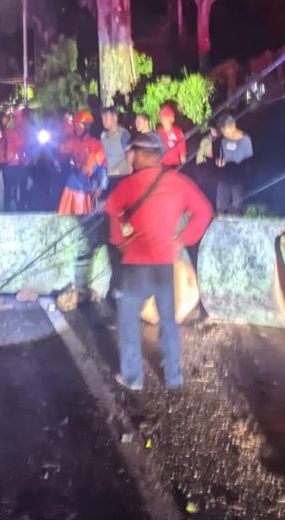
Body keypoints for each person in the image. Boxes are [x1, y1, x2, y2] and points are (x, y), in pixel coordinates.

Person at [104, 132, 213, 390]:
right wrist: (181, 240)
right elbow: (204, 212)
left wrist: (121, 242)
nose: (128, 156)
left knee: (129, 321)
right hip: (165, 264)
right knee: (168, 321)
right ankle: (173, 378)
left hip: (135, 266)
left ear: (141, 154)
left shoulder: (128, 186)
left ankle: (133, 378)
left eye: (130, 152)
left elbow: (112, 215)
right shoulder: (179, 182)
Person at [57, 110, 108, 215]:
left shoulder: (96, 145)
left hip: (87, 189)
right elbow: (60, 151)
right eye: (74, 125)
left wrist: (101, 186)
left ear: (85, 126)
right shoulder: (74, 142)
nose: (75, 127)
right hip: (72, 187)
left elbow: (102, 166)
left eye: (77, 124)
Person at [214, 114, 254, 213]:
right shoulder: (222, 140)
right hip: (223, 178)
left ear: (233, 125)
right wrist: (218, 162)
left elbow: (249, 161)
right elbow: (218, 156)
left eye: (226, 129)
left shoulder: (245, 139)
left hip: (238, 179)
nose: (224, 132)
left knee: (237, 208)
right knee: (220, 208)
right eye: (222, 130)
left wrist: (246, 176)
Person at [100, 106, 131, 196]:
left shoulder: (123, 135)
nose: (104, 121)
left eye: (107, 117)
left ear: (115, 118)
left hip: (120, 177)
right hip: (107, 177)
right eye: (103, 118)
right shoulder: (103, 135)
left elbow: (129, 153)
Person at [3, 112, 27, 212]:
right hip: (12, 161)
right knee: (10, 186)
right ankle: (9, 207)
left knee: (20, 185)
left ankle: (18, 206)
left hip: (18, 162)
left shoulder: (22, 131)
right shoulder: (11, 131)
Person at [157, 104, 187, 169]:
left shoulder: (178, 131)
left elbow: (182, 152)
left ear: (171, 118)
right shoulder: (158, 131)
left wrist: (183, 168)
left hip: (174, 166)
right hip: (160, 166)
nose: (163, 119)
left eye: (165, 116)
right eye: (162, 117)